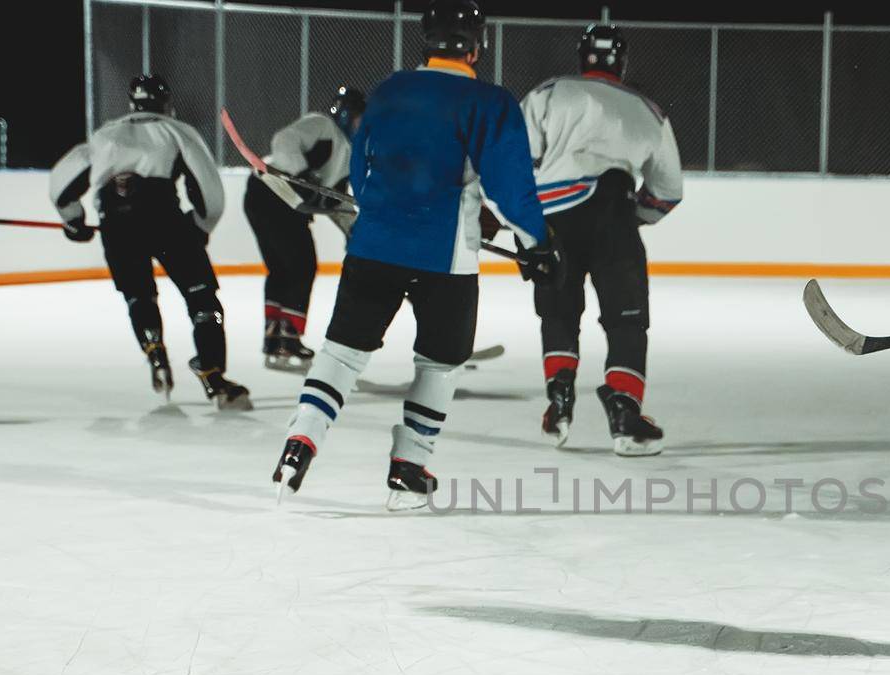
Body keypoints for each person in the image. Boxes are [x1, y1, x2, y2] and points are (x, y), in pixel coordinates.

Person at [270, 0, 558, 509]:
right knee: (441, 364)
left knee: (341, 352)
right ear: (477, 44)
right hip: (445, 261)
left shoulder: (388, 90)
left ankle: (300, 444)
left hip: (373, 244)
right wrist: (536, 243)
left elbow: (362, 173)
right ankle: (409, 466)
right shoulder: (490, 102)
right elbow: (512, 189)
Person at [518, 23, 683, 456]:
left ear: (581, 57)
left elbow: (516, 166)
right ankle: (625, 414)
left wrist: (523, 229)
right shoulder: (648, 109)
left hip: (554, 220)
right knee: (627, 320)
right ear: (622, 63)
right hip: (615, 216)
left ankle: (559, 398)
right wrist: (632, 220)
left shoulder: (548, 93)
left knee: (558, 311)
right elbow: (668, 191)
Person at [49, 75, 250, 409]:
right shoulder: (177, 131)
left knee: (138, 295)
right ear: (166, 103)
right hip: (164, 220)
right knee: (201, 298)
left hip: (116, 224)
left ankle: (155, 352)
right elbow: (206, 186)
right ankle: (213, 373)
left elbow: (62, 183)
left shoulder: (105, 135)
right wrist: (201, 226)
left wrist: (74, 222)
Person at [244, 85, 367, 372]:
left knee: (284, 270)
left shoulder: (348, 154)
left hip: (270, 199)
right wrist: (302, 177)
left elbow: (335, 201)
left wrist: (355, 231)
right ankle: (288, 335)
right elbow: (284, 140)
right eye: (361, 118)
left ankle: (275, 336)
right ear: (348, 115)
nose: (364, 125)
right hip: (272, 194)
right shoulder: (322, 125)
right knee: (302, 266)